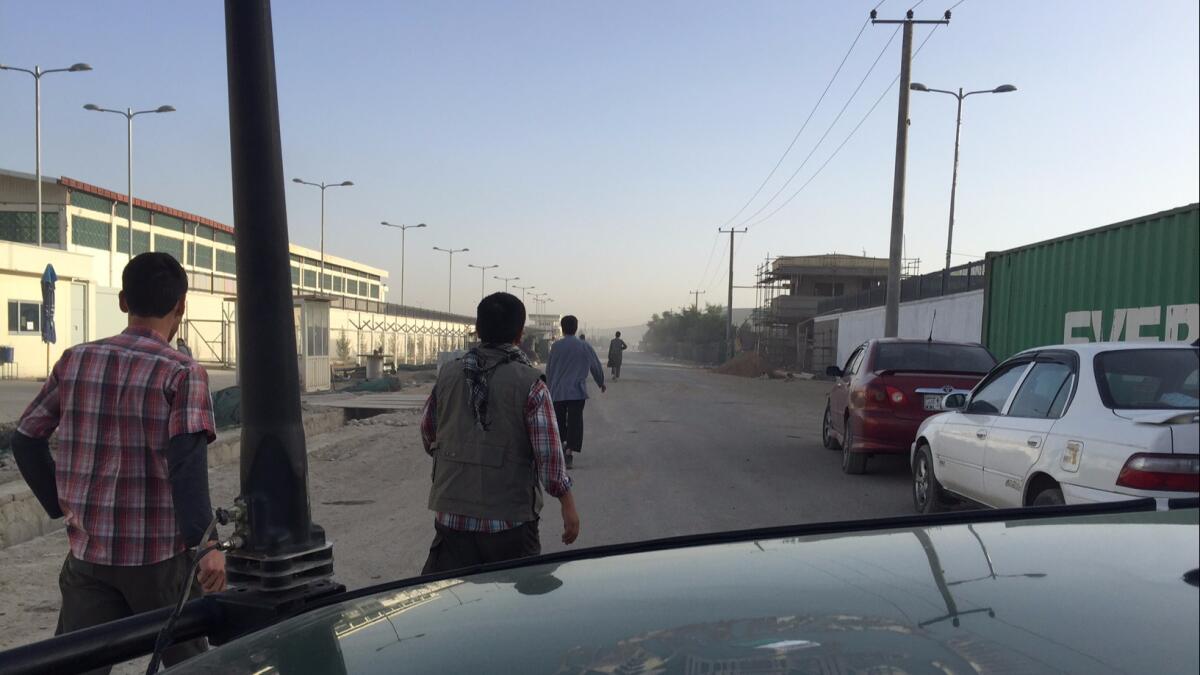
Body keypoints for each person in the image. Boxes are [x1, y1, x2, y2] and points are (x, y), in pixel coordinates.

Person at [11, 252, 224, 673]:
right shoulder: (183, 372)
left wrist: (59, 503)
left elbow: (25, 438)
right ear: (181, 305)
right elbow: (186, 466)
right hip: (160, 562)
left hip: (89, 557)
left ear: (123, 301)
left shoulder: (76, 359)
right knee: (193, 665)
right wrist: (208, 547)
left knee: (76, 662)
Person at [420, 292, 580, 574]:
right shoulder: (531, 384)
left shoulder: (448, 374)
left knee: (452, 610)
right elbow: (550, 460)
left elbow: (428, 432)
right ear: (519, 334)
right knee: (514, 612)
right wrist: (567, 504)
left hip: (452, 521)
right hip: (510, 526)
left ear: (478, 330)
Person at [545, 315, 605, 468]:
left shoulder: (556, 347)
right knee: (575, 422)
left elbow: (549, 369)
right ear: (576, 327)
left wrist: (548, 388)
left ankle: (562, 446)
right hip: (577, 393)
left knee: (559, 422)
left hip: (558, 392)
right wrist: (600, 382)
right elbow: (595, 366)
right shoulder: (585, 346)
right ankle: (569, 452)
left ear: (563, 328)